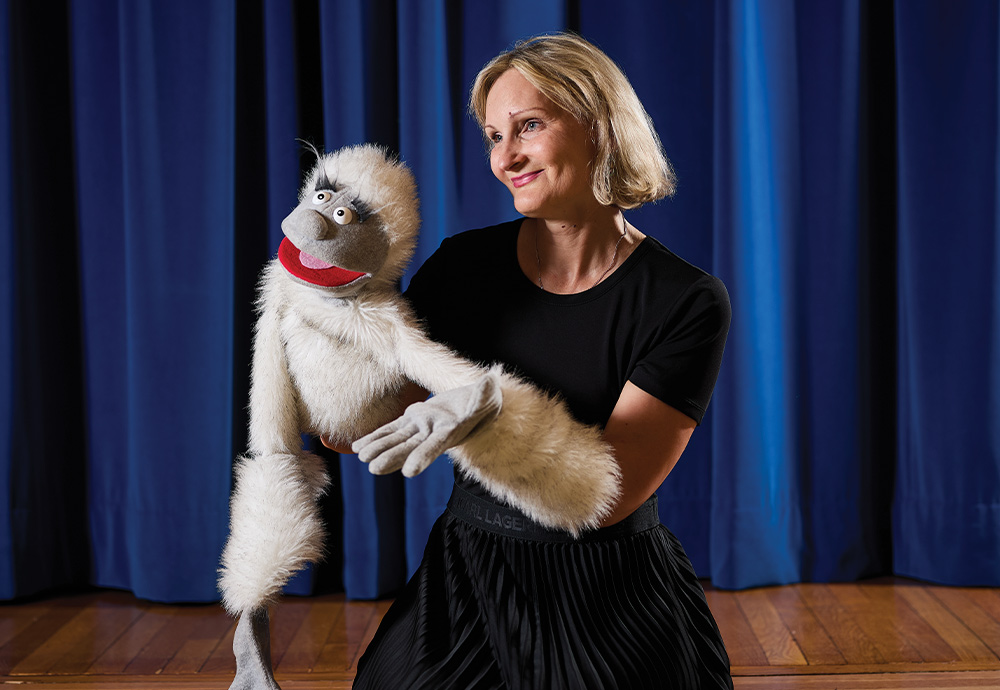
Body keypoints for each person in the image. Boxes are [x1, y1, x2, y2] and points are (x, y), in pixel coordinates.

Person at [342, 32, 733, 689]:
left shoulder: (685, 300)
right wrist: (337, 393)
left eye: (529, 126)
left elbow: (604, 495)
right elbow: (383, 409)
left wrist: (478, 413)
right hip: (467, 573)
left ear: (599, 126)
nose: (507, 156)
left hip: (610, 594)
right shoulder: (461, 267)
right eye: (495, 136)